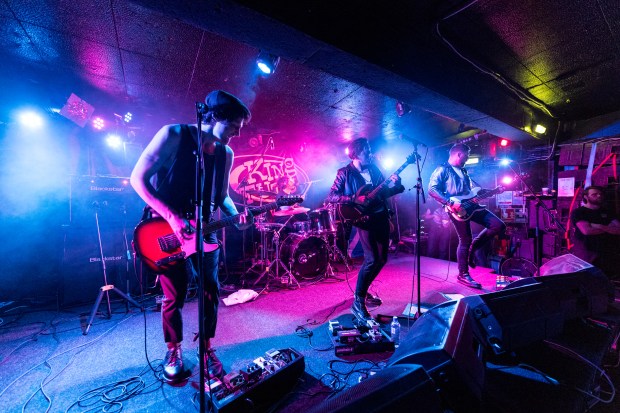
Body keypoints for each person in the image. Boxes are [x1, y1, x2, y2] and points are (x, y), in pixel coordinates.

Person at [130, 90, 252, 384]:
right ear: (217, 117)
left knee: (211, 292)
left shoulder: (226, 153)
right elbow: (138, 179)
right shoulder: (173, 134)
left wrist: (238, 217)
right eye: (234, 126)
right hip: (165, 230)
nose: (237, 133)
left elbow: (222, 195)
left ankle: (207, 348)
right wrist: (172, 217)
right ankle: (173, 351)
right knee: (174, 296)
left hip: (204, 233)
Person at [327, 138, 404, 322]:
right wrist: (354, 198)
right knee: (371, 260)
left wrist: (398, 185)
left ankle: (363, 291)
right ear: (356, 153)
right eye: (366, 151)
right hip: (364, 220)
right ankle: (358, 301)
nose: (370, 154)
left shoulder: (375, 169)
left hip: (381, 217)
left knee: (382, 259)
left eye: (369, 150)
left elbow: (382, 193)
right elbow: (332, 196)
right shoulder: (345, 173)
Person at [428, 143, 506, 289]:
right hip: (456, 208)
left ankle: (474, 246)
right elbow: (432, 189)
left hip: (472, 205)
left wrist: (495, 190)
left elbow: (474, 191)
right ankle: (463, 274)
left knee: (498, 225)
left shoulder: (463, 171)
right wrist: (449, 203)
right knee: (465, 239)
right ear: (459, 154)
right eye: (467, 155)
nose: (468, 158)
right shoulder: (442, 169)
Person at [570, 186, 620, 279]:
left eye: (600, 194)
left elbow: (618, 230)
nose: (599, 196)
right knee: (590, 279)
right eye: (594, 194)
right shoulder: (579, 212)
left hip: (608, 252)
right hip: (588, 252)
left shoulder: (607, 211)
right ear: (586, 197)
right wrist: (609, 228)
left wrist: (599, 226)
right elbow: (587, 231)